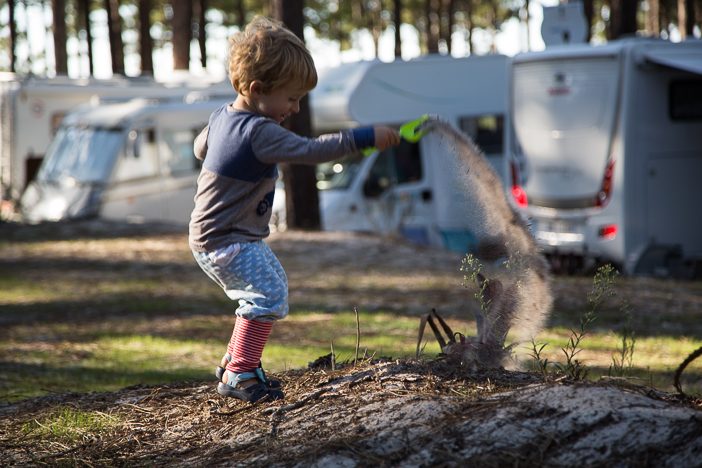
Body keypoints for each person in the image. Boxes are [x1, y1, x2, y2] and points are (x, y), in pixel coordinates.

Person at [189, 16, 400, 404]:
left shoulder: (223, 116)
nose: (296, 107)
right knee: (266, 297)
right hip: (225, 238)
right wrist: (362, 137)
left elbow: (200, 148)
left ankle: (236, 361)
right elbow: (310, 151)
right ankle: (239, 373)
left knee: (271, 288)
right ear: (256, 90)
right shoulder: (259, 130)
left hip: (218, 235)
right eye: (290, 98)